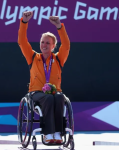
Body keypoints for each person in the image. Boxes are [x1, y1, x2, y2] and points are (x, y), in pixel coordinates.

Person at [18, 11, 70, 144]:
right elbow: (22, 41)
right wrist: (24, 22)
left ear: (53, 46)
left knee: (59, 97)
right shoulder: (33, 57)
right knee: (48, 97)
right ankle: (47, 134)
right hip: (36, 93)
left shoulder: (58, 59)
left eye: (48, 43)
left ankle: (58, 133)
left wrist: (59, 26)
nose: (44, 45)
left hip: (55, 93)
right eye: (42, 42)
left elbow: (66, 45)